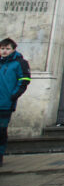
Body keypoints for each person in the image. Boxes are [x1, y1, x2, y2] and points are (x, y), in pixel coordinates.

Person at [0, 38, 30, 167]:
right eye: (2, 48)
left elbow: (24, 80)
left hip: (6, 103)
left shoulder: (19, 63)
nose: (4, 51)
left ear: (13, 49)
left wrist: (13, 96)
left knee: (1, 130)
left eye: (7, 49)